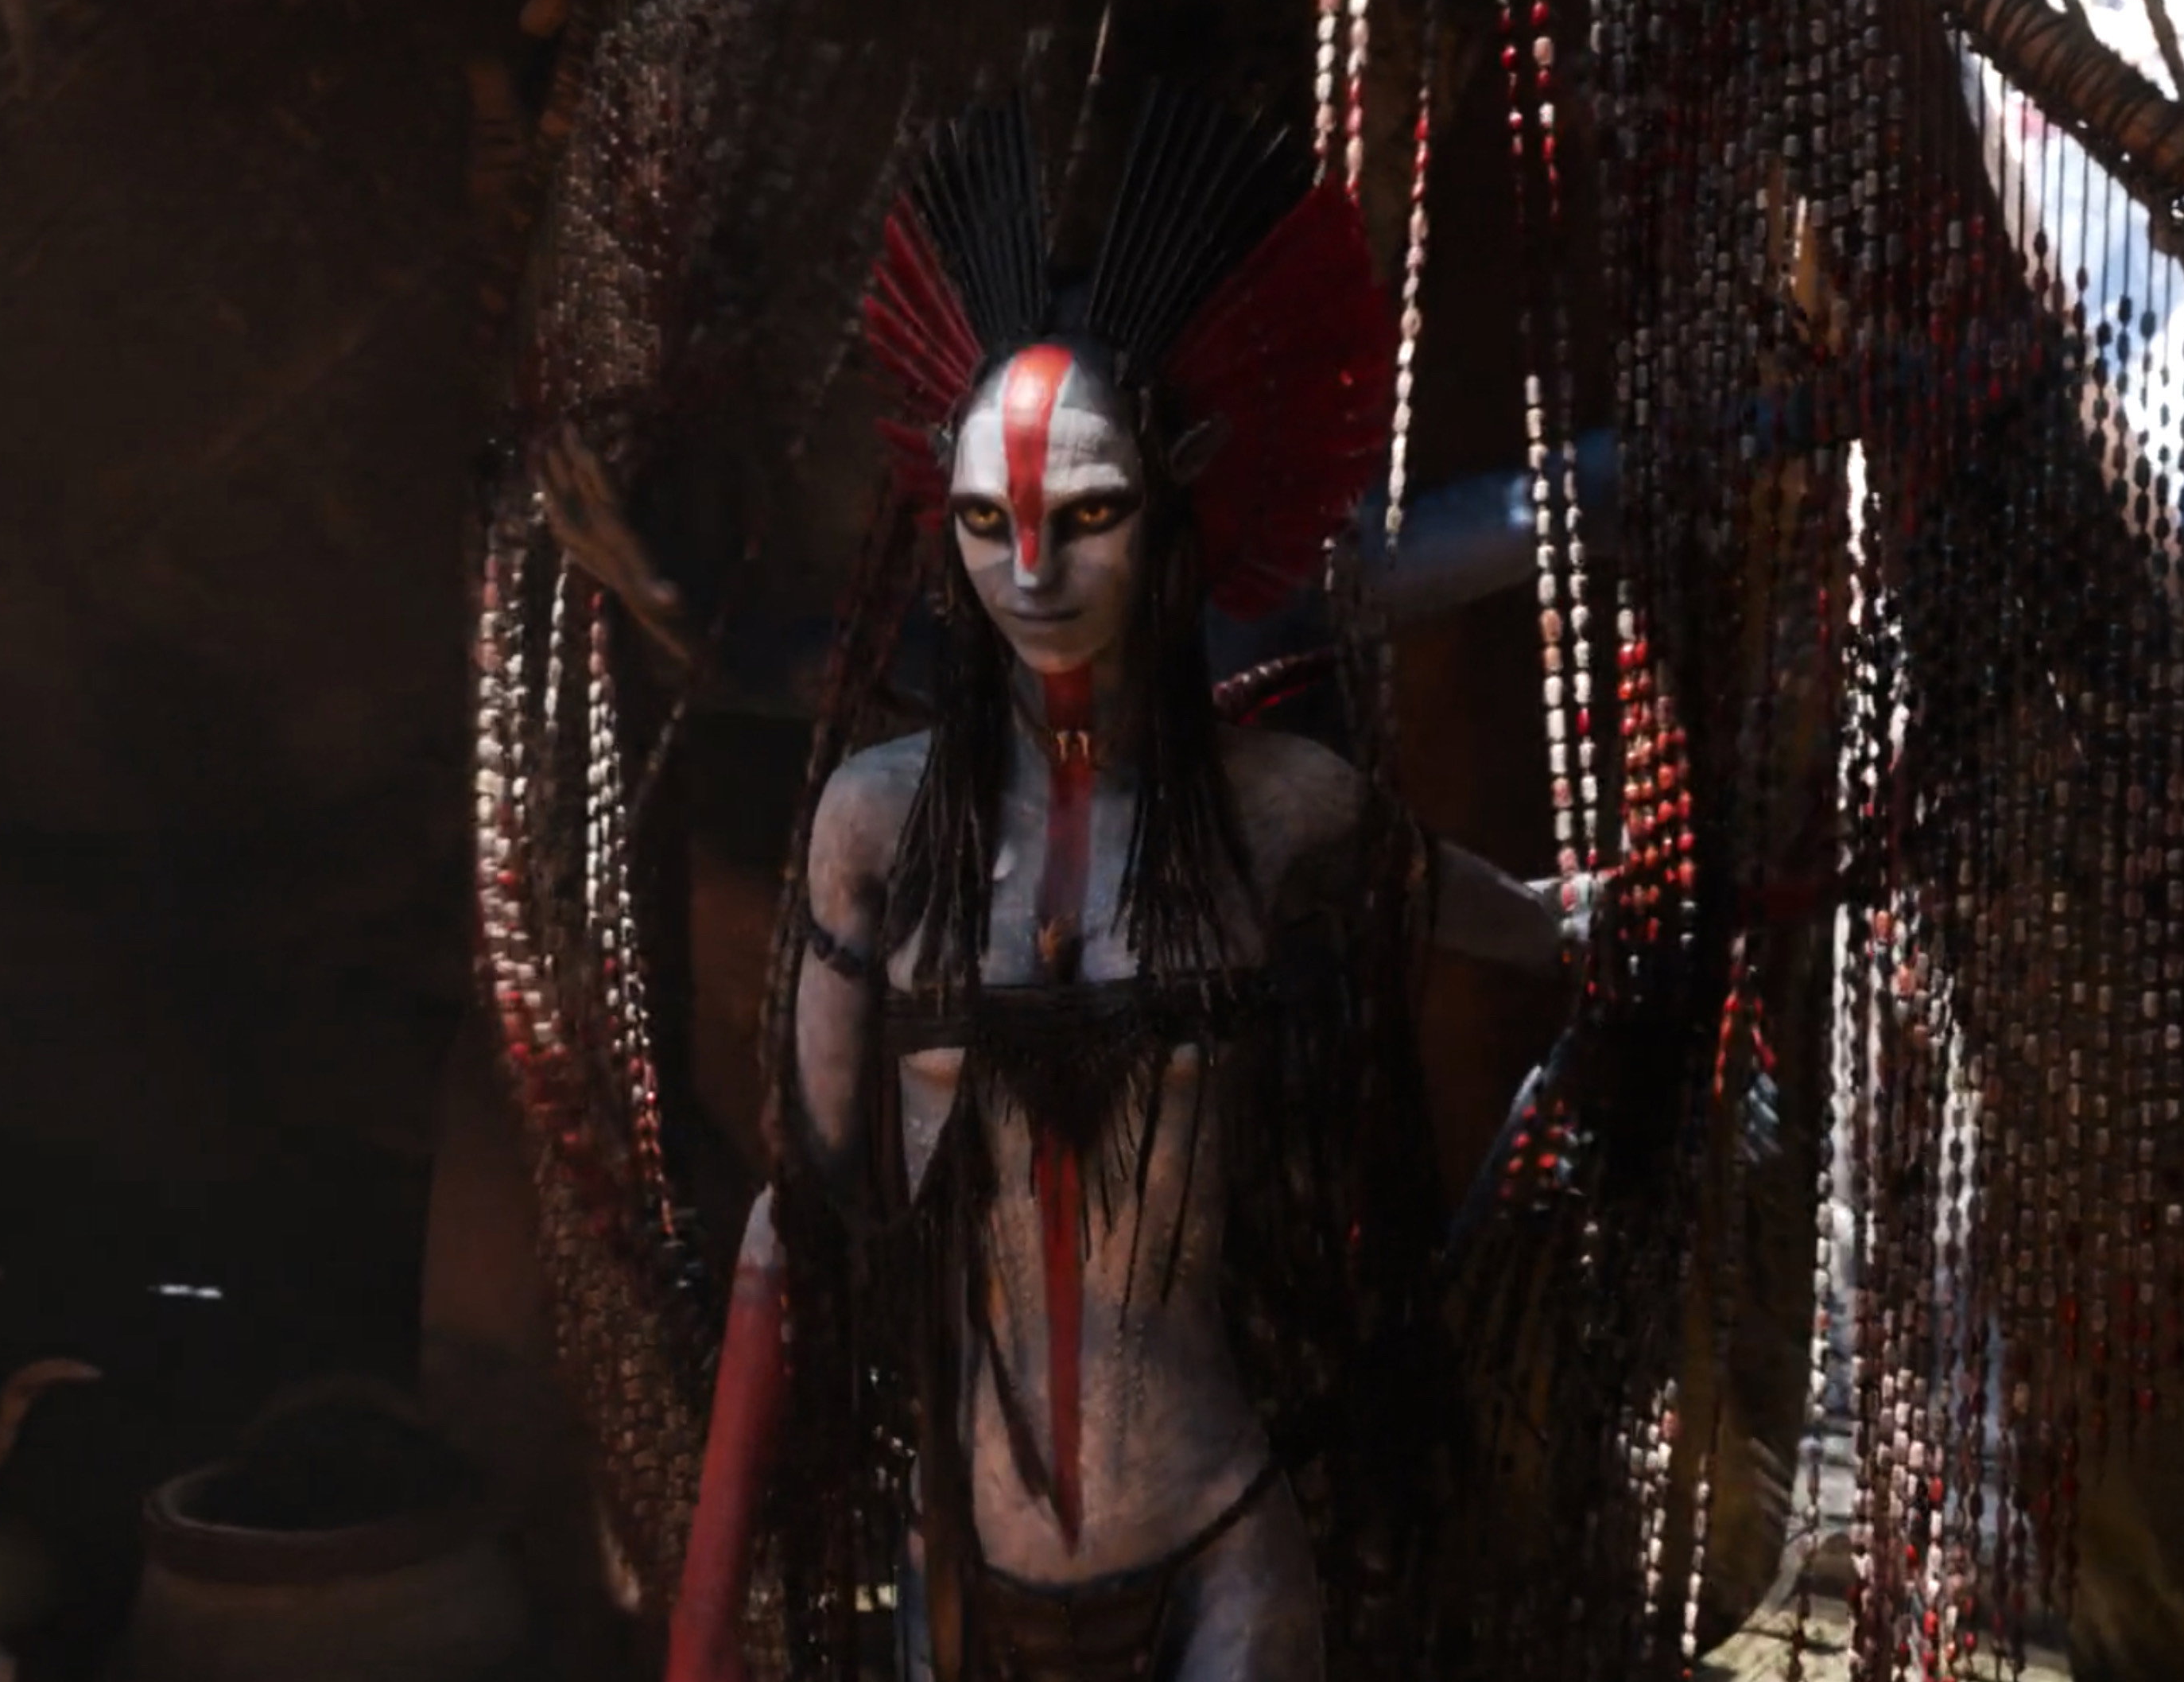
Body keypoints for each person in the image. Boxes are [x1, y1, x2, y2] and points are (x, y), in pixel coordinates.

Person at [661, 92, 1572, 1682]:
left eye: (1086, 515)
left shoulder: (1280, 809)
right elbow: (802, 1210)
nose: (1031, 574)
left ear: (1175, 498)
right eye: (985, 522)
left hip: (1224, 1537)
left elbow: (1506, 914)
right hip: (963, 1555)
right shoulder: (875, 826)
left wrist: (1616, 922)